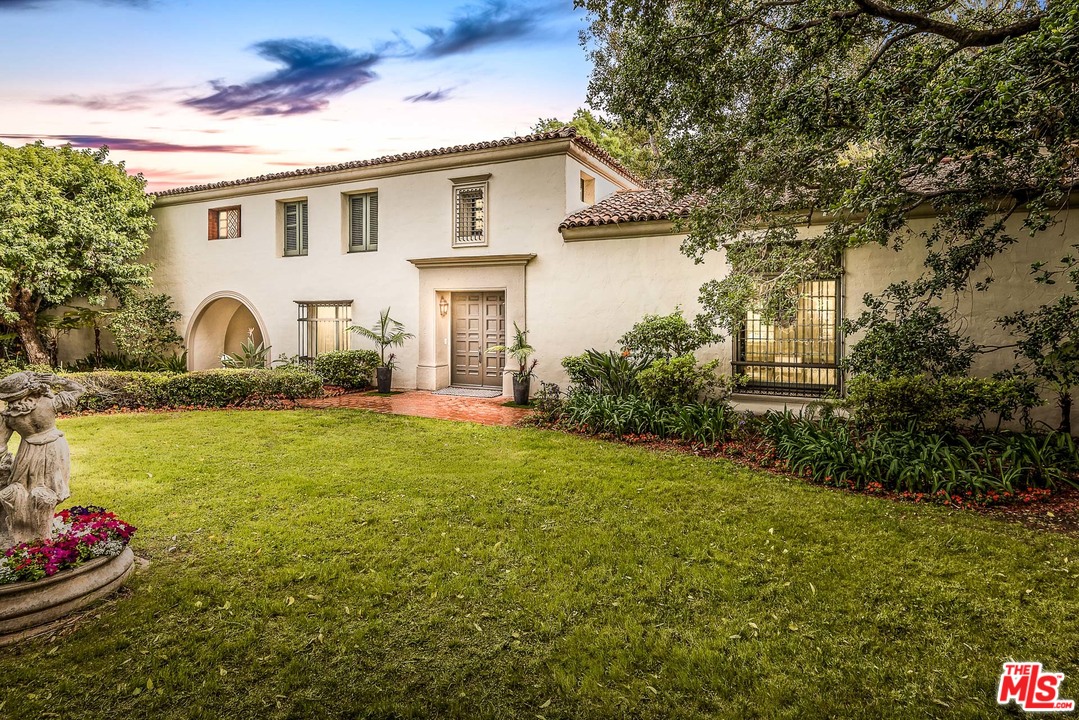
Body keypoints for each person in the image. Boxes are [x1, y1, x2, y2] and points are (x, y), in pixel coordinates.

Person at [0, 372, 85, 549]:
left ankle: (34, 532)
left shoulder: (8, 416)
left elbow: (1, 445)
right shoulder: (49, 402)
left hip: (29, 452)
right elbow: (79, 389)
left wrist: (3, 463)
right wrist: (57, 381)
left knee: (29, 492)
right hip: (52, 447)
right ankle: (34, 535)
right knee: (34, 493)